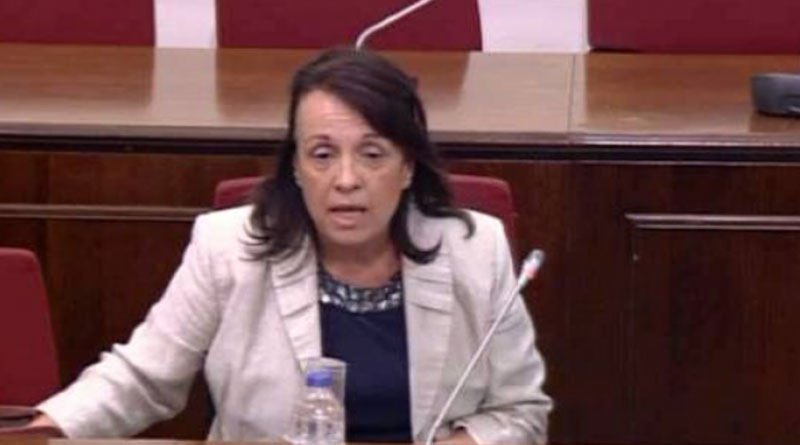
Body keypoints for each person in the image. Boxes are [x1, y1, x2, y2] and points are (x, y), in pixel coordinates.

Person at [28, 47, 552, 444]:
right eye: (322, 154)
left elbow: (522, 411)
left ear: (408, 167)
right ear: (296, 168)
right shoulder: (228, 247)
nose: (346, 179)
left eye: (372, 154)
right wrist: (40, 431)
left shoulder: (475, 249)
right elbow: (141, 378)